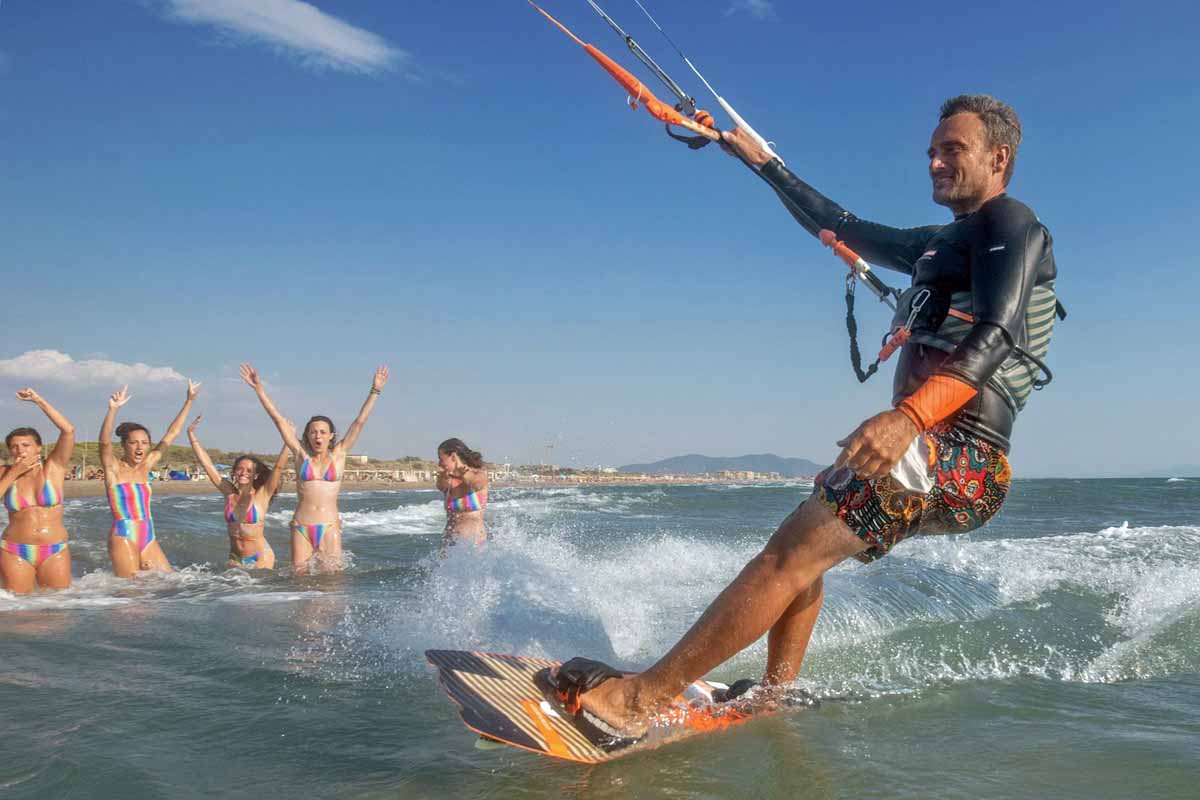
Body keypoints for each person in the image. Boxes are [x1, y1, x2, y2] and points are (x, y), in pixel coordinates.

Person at [550, 95, 1060, 736]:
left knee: (786, 557)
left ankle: (638, 701)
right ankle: (774, 695)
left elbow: (998, 331)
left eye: (951, 149)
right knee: (800, 549)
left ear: (999, 156)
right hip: (930, 453)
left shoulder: (1011, 222)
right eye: (931, 150)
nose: (933, 161)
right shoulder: (940, 243)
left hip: (962, 459)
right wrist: (762, 163)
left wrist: (907, 417)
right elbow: (840, 223)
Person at [240, 362, 388, 570]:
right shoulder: (301, 455)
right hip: (301, 526)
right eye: (313, 432)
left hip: (329, 526)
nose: (317, 436)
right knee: (300, 582)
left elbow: (359, 421)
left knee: (332, 583)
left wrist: (376, 390)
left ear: (331, 436)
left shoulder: (340, 453)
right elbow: (278, 421)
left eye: (322, 432)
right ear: (307, 436)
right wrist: (259, 389)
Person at [99, 381, 199, 578]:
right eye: (133, 443)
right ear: (124, 445)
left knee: (169, 582)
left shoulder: (147, 466)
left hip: (148, 533)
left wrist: (189, 401)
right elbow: (104, 443)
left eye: (144, 443)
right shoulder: (114, 468)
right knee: (131, 593)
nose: (139, 448)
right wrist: (112, 410)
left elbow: (172, 434)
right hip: (123, 534)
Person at [187, 415, 291, 570]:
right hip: (235, 556)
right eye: (240, 469)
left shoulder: (262, 495)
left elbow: (278, 468)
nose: (244, 473)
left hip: (260, 556)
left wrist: (287, 440)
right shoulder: (228, 492)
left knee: (258, 593)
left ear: (256, 475)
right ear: (234, 472)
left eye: (249, 470)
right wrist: (192, 436)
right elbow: (208, 466)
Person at [0, 389, 75, 593]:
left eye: (26, 445)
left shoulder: (54, 467)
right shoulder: (5, 472)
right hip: (14, 549)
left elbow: (68, 431)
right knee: (20, 613)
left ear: (39, 448)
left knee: (56, 612)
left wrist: (38, 400)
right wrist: (14, 472)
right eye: (14, 447)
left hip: (54, 549)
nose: (20, 450)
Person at [436, 438, 489, 551]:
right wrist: (443, 476)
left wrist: (462, 470)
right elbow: (440, 486)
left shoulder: (479, 475)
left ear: (454, 457)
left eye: (441, 459)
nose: (439, 463)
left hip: (474, 546)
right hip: (448, 545)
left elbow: (474, 482)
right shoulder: (447, 480)